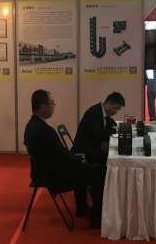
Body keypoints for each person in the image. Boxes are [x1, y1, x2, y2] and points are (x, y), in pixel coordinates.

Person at [23, 90, 106, 228]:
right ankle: (97, 220)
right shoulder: (45, 130)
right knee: (99, 172)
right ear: (43, 106)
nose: (54, 106)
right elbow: (63, 156)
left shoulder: (31, 126)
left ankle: (82, 208)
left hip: (41, 172)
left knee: (85, 166)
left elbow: (59, 155)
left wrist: (77, 159)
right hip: (53, 176)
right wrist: (79, 160)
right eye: (52, 103)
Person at [72, 92, 124, 223]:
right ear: (109, 103)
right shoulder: (94, 113)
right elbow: (98, 134)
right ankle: (97, 209)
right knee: (105, 164)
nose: (116, 112)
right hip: (82, 152)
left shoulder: (101, 111)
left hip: (90, 148)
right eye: (115, 108)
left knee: (108, 156)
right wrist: (115, 130)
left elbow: (108, 123)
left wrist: (115, 127)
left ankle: (101, 200)